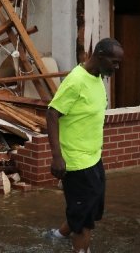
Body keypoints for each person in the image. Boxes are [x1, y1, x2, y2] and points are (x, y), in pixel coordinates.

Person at [44, 37, 124, 253]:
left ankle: (58, 235)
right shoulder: (76, 81)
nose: (116, 68)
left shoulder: (97, 77)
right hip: (76, 163)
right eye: (114, 63)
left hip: (93, 158)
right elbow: (52, 114)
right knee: (84, 220)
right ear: (99, 56)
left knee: (90, 207)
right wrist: (56, 156)